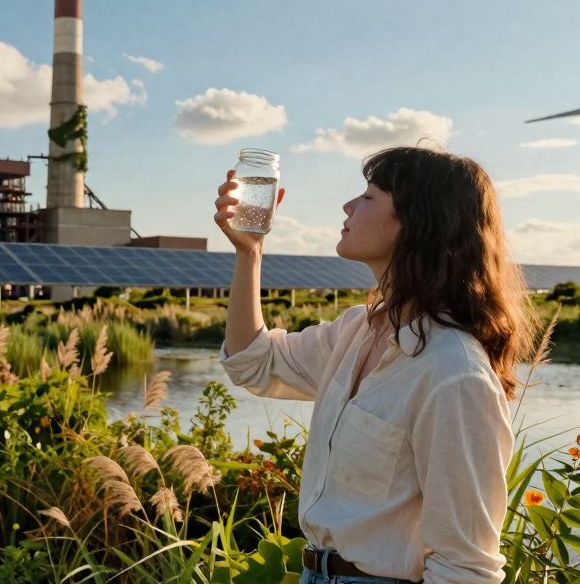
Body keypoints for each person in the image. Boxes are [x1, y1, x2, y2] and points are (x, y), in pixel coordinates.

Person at [213, 145, 537, 584]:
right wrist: (249, 254)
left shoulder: (454, 374)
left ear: (417, 222)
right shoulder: (358, 331)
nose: (347, 206)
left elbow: (466, 567)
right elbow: (254, 362)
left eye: (368, 196)